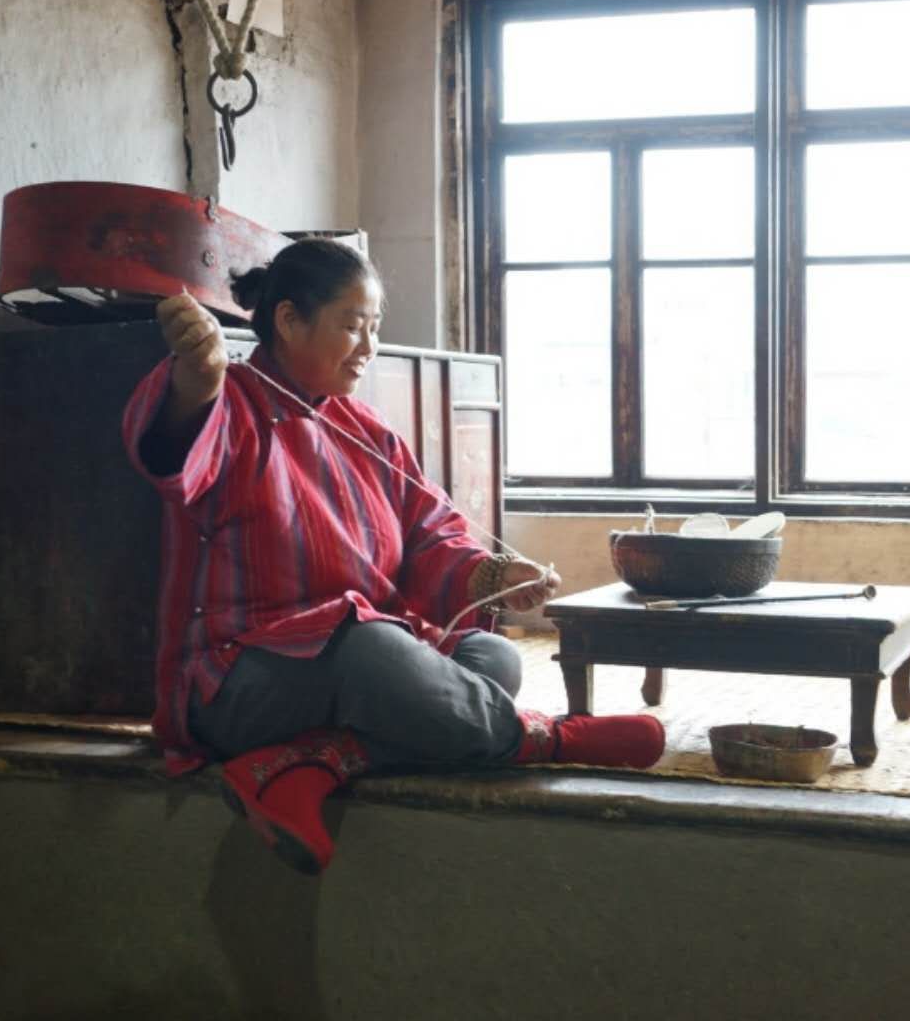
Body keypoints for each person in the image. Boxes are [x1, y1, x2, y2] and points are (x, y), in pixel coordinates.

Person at [122, 238, 664, 874]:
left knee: (491, 658)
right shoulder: (232, 403)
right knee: (373, 652)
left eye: (374, 327)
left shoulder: (367, 430)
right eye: (353, 326)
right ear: (289, 321)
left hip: (359, 660)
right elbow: (169, 447)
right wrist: (197, 378)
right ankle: (552, 737)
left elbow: (429, 536)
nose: (369, 347)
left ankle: (309, 763)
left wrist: (490, 574)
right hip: (234, 685)